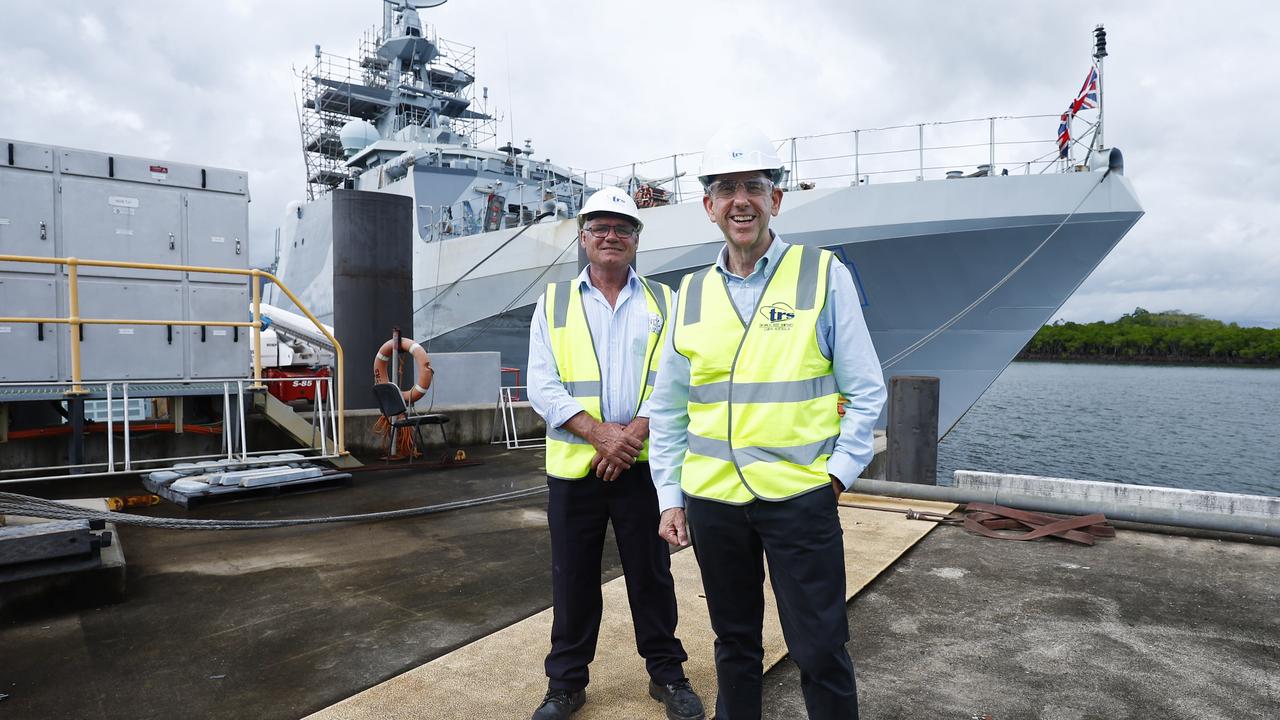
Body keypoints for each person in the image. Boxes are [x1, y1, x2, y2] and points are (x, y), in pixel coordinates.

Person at [647, 125, 887, 720]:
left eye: (753, 186)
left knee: (821, 647)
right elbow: (669, 408)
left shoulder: (822, 274)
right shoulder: (689, 296)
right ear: (708, 207)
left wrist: (838, 475)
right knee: (734, 646)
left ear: (776, 199)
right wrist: (670, 497)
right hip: (714, 502)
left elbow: (865, 388)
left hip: (800, 497)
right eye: (725, 189)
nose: (740, 201)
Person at [526, 187, 706, 720]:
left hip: (644, 467)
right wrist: (599, 434)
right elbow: (542, 384)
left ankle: (667, 676)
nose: (611, 236)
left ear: (636, 239)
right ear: (582, 237)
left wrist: (629, 438)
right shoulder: (553, 303)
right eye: (600, 227)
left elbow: (677, 379)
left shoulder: (664, 303)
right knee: (573, 577)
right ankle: (565, 685)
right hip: (575, 467)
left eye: (622, 228)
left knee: (651, 575)